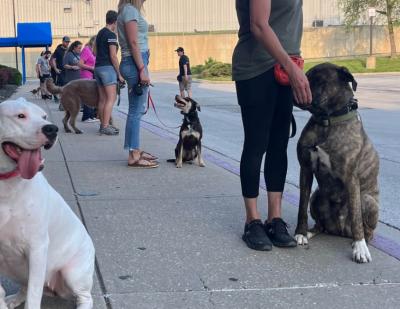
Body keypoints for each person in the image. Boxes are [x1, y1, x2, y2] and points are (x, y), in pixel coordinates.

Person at [232, 0, 312, 251]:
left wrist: (291, 65)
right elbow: (258, 24)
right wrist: (291, 67)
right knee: (257, 144)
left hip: (285, 66)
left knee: (278, 144)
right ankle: (252, 220)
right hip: (257, 67)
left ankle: (274, 218)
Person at [118, 0, 159, 168]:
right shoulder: (130, 10)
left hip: (135, 61)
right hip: (135, 62)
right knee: (136, 110)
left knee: (135, 110)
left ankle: (134, 149)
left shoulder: (128, 10)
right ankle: (134, 155)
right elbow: (133, 42)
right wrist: (142, 68)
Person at [94, 10, 124, 136]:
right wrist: (119, 74)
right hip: (107, 69)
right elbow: (113, 56)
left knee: (102, 99)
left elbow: (94, 51)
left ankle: (102, 124)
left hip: (98, 67)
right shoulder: (111, 35)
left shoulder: (100, 33)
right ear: (115, 22)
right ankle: (105, 126)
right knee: (111, 98)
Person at [79, 36, 98, 123]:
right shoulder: (86, 49)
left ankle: (91, 115)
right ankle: (86, 117)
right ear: (93, 41)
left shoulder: (92, 51)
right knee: (87, 96)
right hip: (86, 75)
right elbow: (80, 64)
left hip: (91, 75)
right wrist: (92, 68)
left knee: (92, 96)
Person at [50, 36, 70, 101]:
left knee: (66, 86)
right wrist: (55, 69)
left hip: (67, 71)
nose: (67, 43)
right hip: (60, 71)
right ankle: (59, 98)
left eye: (68, 42)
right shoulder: (58, 50)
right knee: (61, 85)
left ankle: (63, 99)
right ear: (63, 41)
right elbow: (53, 60)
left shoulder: (69, 49)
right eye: (66, 42)